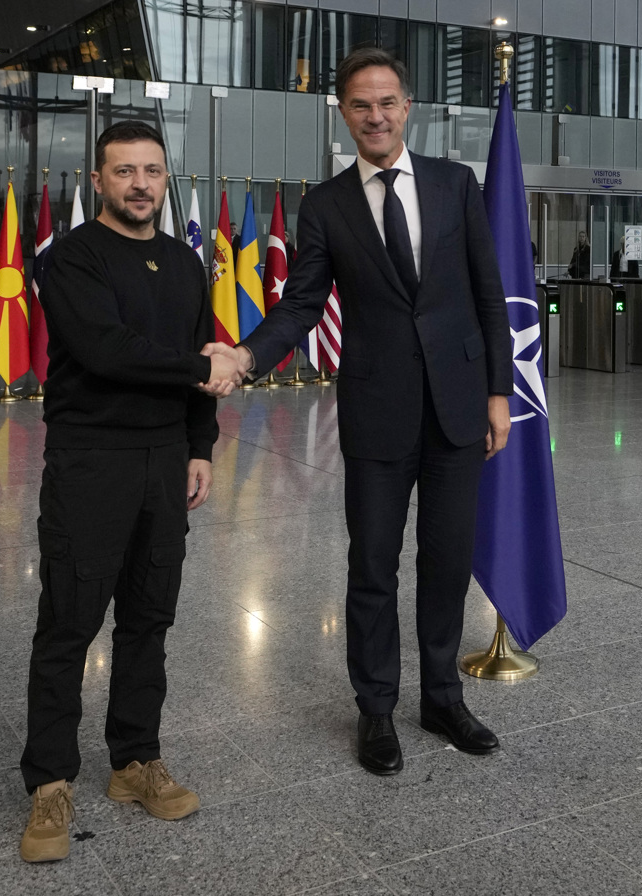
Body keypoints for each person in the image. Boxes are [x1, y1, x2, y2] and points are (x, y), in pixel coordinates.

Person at [205, 47, 514, 776]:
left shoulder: (455, 184)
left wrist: (498, 393)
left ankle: (442, 698)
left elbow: (488, 293)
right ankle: (376, 707)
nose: (375, 116)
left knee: (447, 561)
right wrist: (246, 355)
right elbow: (302, 304)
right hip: (377, 409)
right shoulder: (326, 205)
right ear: (343, 114)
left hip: (458, 408)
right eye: (360, 105)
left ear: (407, 107)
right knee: (373, 564)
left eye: (386, 103)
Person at [18, 120, 240, 863]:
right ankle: (50, 782)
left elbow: (202, 353)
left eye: (151, 171)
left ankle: (135, 761)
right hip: (91, 461)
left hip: (165, 460)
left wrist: (200, 446)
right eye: (124, 172)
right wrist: (201, 369)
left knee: (149, 618)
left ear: (164, 178)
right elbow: (106, 350)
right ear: (98, 181)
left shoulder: (183, 262)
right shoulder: (71, 258)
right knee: (69, 623)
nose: (140, 184)